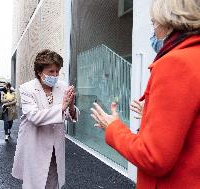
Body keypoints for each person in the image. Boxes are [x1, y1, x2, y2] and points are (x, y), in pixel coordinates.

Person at [91, 0, 200, 188]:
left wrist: (113, 127)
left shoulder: (175, 64)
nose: (153, 31)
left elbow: (153, 157)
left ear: (168, 23)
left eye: (154, 23)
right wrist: (153, 116)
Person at [12, 49, 79, 189]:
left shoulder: (62, 86)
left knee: (53, 183)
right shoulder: (27, 89)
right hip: (35, 145)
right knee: (34, 184)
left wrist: (71, 106)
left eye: (57, 71)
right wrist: (62, 107)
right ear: (39, 71)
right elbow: (34, 117)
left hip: (56, 146)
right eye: (51, 72)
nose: (55, 75)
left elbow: (69, 114)